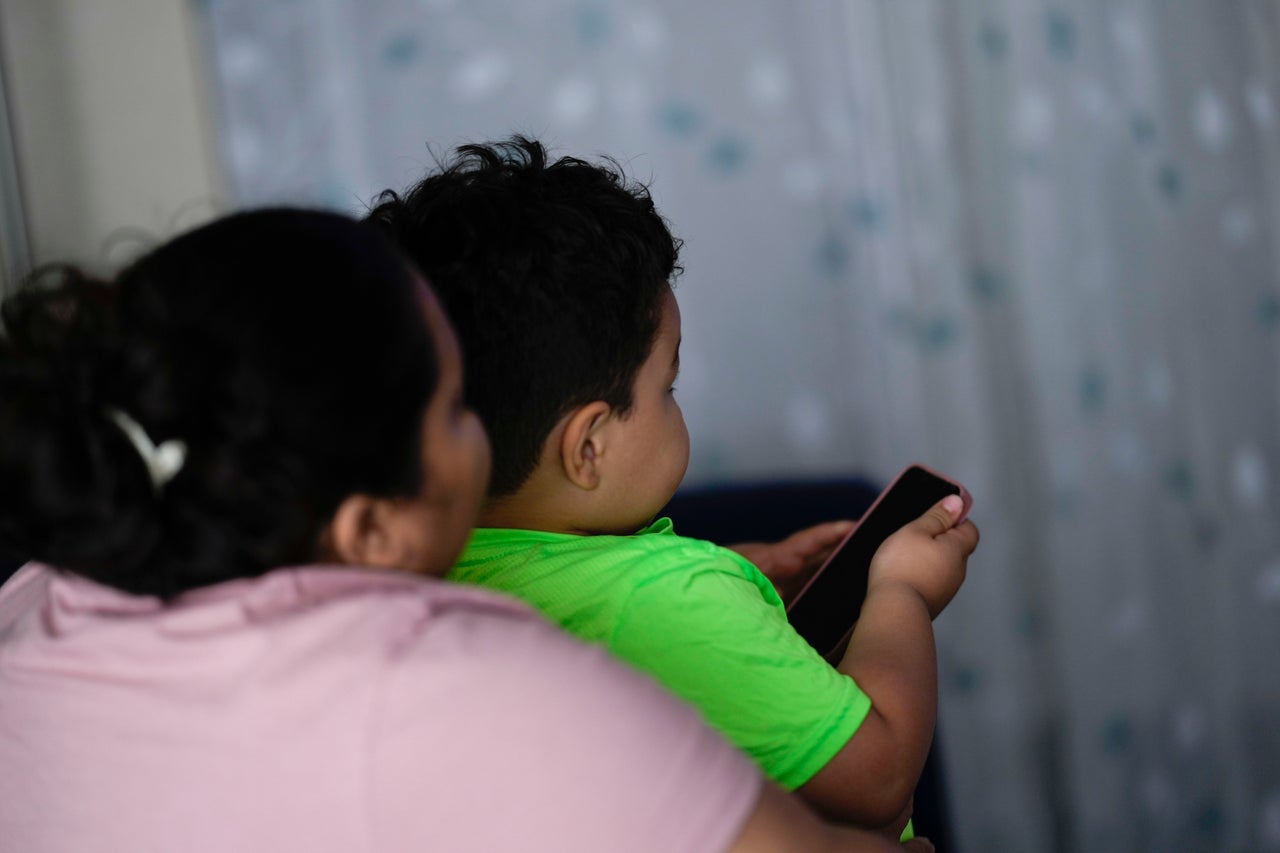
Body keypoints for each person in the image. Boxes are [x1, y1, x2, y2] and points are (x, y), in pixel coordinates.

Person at [0, 208, 933, 852]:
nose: (485, 437)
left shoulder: (32, 601)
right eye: (455, 411)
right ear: (370, 528)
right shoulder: (461, 684)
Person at [365, 137, 981, 836]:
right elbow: (878, 780)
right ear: (588, 448)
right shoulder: (670, 601)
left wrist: (743, 575)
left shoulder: (422, 583)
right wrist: (903, 591)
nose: (675, 401)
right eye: (668, 384)